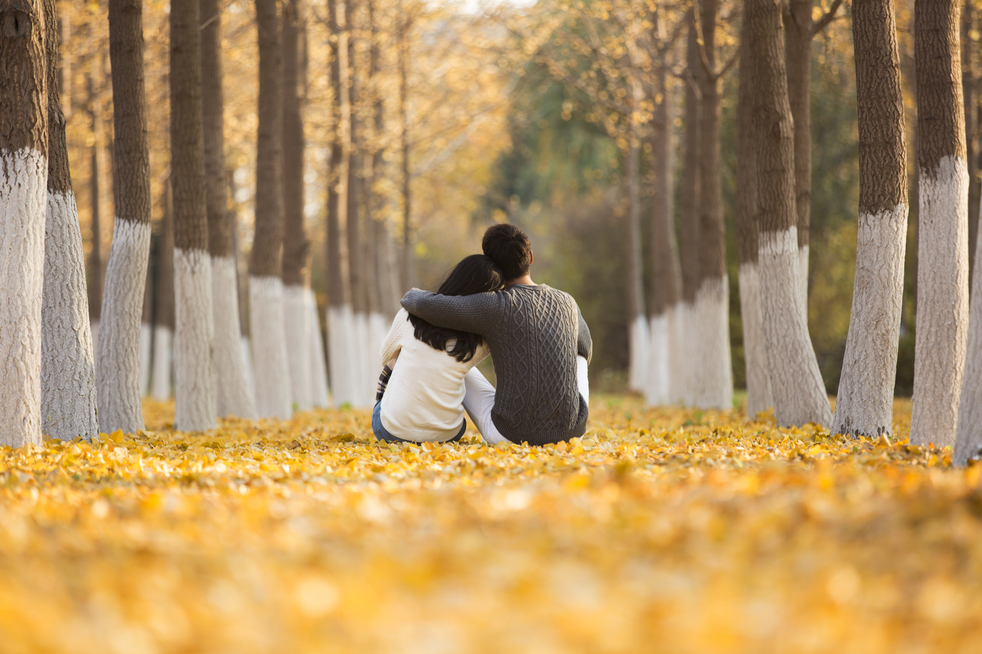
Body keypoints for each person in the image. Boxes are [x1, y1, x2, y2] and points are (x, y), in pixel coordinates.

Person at [401, 224, 592, 446]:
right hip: (572, 433)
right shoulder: (567, 301)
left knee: (458, 362)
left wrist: (411, 293)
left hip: (510, 435)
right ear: (530, 257)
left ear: (492, 264)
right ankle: (564, 421)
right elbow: (585, 348)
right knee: (579, 356)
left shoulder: (495, 305)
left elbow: (425, 305)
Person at [372, 255, 505, 443]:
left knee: (398, 360)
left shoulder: (409, 315)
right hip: (447, 435)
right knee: (459, 370)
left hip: (392, 432)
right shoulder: (479, 341)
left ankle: (396, 413)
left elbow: (384, 357)